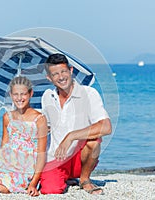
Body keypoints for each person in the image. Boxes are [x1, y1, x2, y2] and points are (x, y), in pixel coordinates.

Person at [39, 53, 112, 195]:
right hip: (56, 158)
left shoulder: (89, 93)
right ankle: (67, 178)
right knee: (50, 190)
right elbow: (47, 126)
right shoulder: (47, 96)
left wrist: (71, 136)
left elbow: (106, 126)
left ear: (71, 71)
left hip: (80, 158)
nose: (61, 77)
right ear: (49, 78)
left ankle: (84, 179)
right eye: (55, 74)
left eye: (63, 71)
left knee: (94, 142)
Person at [0, 76, 48, 196]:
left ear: (30, 93)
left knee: (3, 188)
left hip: (26, 166)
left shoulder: (40, 119)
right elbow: (4, 145)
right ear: (11, 95)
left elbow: (41, 153)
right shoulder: (7, 117)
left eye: (23, 94)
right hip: (7, 162)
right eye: (15, 94)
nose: (19, 98)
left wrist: (34, 183)